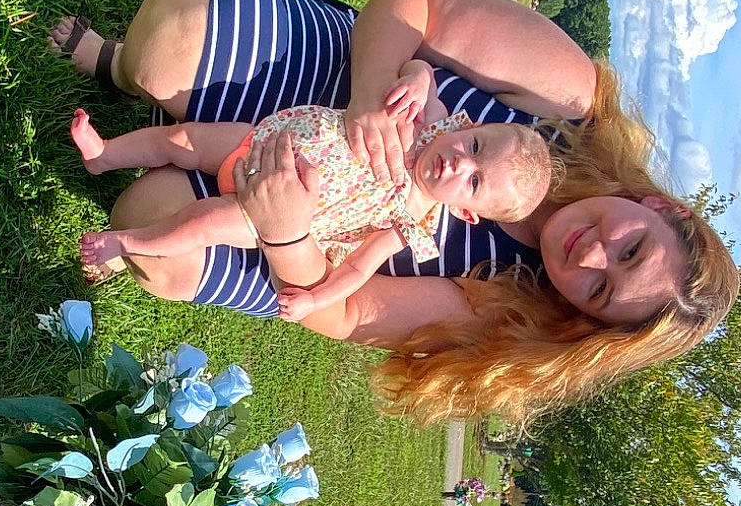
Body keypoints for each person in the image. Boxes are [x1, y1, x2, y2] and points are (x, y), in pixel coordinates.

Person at [48, 0, 739, 422]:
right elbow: (419, 1)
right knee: (164, 40)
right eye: (630, 249)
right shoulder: (570, 104)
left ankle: (167, 144)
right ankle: (122, 70)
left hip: (302, 237)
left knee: (153, 239)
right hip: (325, 82)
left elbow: (346, 309)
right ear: (661, 208)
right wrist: (370, 97)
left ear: (587, 316)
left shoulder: (509, 312)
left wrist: (286, 232)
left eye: (600, 290)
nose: (590, 257)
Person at [68, 61, 557, 323]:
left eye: (474, 181)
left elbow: (358, 270)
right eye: (475, 145)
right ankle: (105, 154)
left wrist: (314, 300)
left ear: (467, 213)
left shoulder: (413, 219)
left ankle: (125, 243)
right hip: (266, 141)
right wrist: (416, 78)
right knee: (184, 139)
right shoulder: (430, 120)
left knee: (201, 224)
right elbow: (421, 71)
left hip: (266, 212)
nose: (461, 162)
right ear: (469, 126)